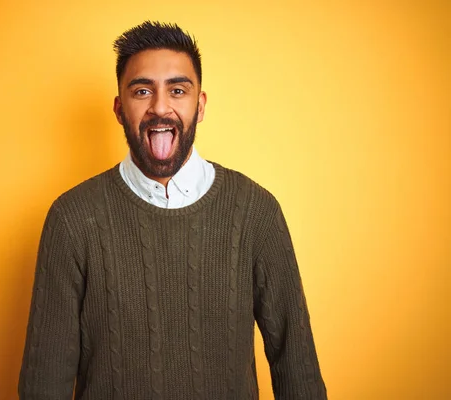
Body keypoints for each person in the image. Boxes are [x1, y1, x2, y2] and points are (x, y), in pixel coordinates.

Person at [18, 21, 327, 400]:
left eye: (177, 90)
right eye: (142, 91)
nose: (160, 107)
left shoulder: (256, 213)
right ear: (119, 109)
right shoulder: (72, 219)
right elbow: (43, 383)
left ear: (200, 106)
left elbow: (298, 370)